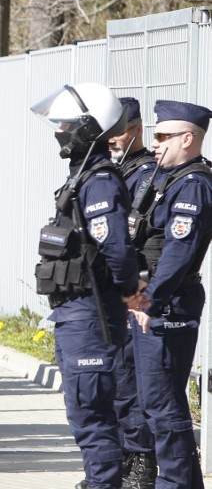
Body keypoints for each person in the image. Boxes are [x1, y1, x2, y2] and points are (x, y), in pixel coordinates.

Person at [31, 82, 142, 489]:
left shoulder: (98, 181)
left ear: (89, 127)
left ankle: (104, 483)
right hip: (73, 311)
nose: (58, 130)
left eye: (65, 123)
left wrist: (129, 289)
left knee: (92, 411)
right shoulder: (81, 177)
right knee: (84, 407)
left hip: (90, 311)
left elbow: (113, 244)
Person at [126, 100, 212, 489]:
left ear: (188, 139)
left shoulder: (193, 185)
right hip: (155, 301)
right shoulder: (167, 177)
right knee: (156, 402)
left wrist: (151, 300)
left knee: (163, 406)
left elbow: (178, 254)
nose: (155, 143)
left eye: (163, 136)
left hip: (168, 303)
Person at [106, 96, 157, 487]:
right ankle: (120, 458)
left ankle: (139, 462)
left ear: (137, 129)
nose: (111, 139)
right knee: (109, 383)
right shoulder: (105, 170)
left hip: (132, 292)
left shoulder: (148, 175)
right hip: (104, 293)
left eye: (119, 131)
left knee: (129, 383)